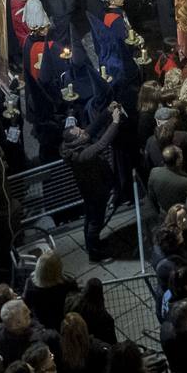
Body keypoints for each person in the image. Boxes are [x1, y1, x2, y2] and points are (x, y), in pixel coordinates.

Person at [65, 102, 126, 258]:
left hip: (94, 189)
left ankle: (93, 243)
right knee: (95, 221)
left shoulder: (77, 143)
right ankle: (94, 252)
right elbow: (102, 144)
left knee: (90, 218)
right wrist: (115, 122)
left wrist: (107, 110)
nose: (83, 131)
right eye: (80, 131)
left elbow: (94, 127)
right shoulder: (81, 155)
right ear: (76, 138)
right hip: (94, 192)